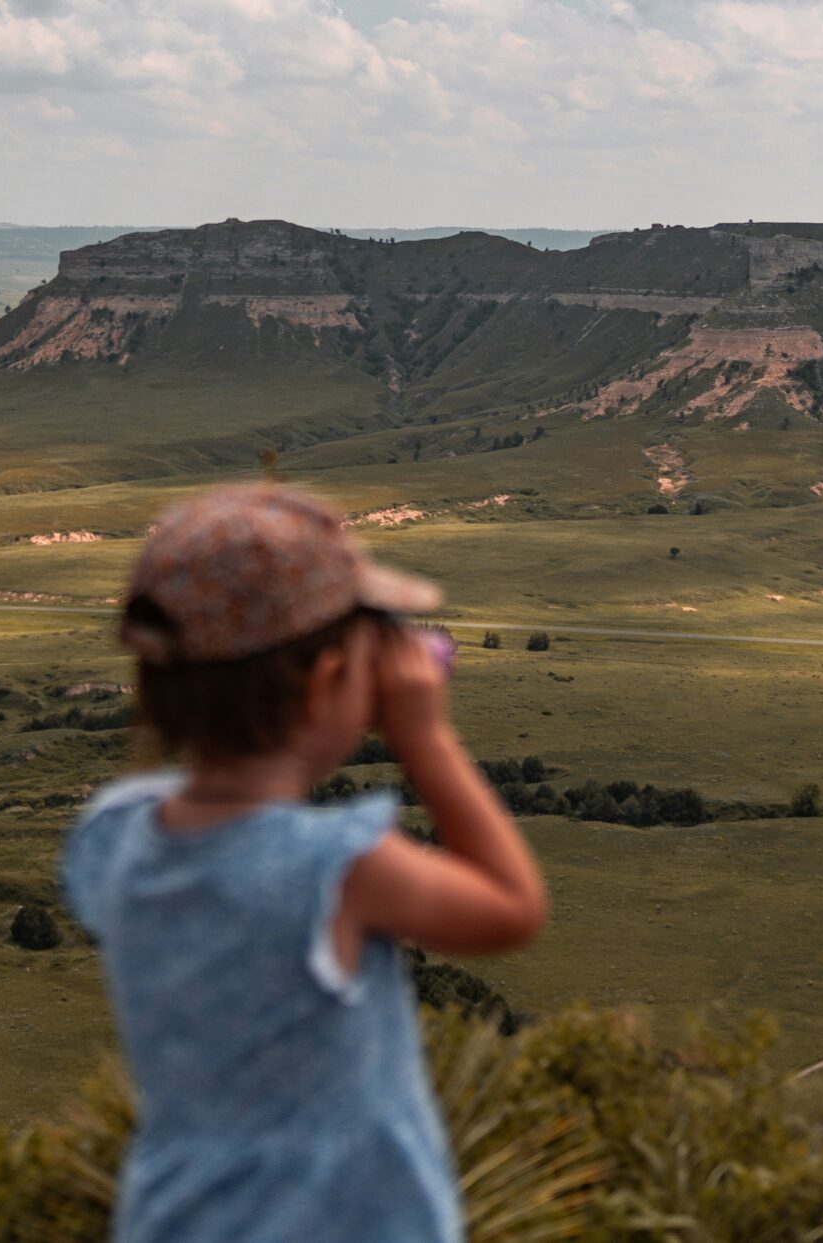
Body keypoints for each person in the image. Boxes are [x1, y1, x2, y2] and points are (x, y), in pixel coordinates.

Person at [61, 485, 548, 1243]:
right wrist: (427, 740)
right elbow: (512, 904)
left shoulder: (113, 837)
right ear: (325, 686)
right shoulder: (336, 867)